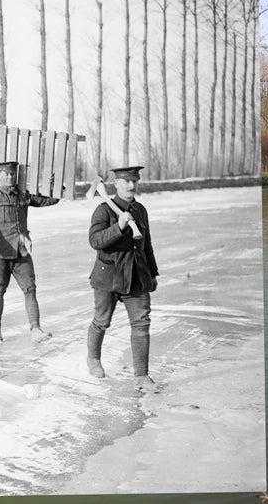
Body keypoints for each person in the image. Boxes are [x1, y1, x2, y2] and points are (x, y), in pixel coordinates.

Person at [86, 165, 160, 393]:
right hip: (108, 276)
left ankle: (141, 376)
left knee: (141, 323)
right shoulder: (103, 210)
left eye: (134, 181)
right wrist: (118, 226)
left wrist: (152, 273)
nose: (131, 185)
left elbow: (146, 245)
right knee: (101, 321)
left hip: (136, 276)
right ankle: (93, 359)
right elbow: (95, 241)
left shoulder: (140, 211)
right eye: (126, 181)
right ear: (115, 184)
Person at [0, 161, 59, 343]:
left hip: (21, 252)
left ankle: (35, 329)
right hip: (0, 253)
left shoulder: (23, 195)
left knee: (30, 289)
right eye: (6, 174)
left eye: (13, 174)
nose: (10, 177)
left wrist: (55, 186)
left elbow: (48, 200)